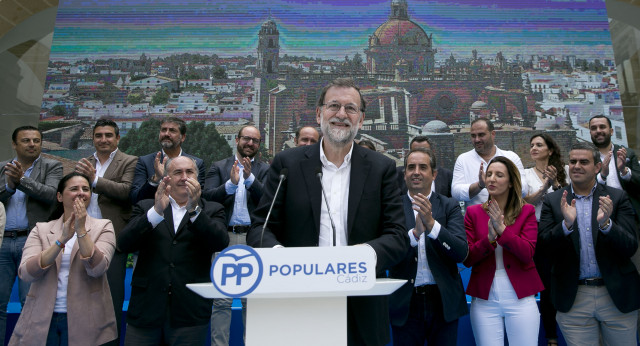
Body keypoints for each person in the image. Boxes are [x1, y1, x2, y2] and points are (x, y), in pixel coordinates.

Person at [247, 78, 408, 346]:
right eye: (334, 106)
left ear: (361, 118)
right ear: (319, 113)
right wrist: (282, 260)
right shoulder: (288, 164)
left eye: (350, 108)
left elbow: (397, 236)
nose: (341, 114)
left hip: (362, 304)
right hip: (300, 303)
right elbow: (261, 228)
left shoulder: (382, 168)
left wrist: (359, 258)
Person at [119, 156, 229, 345]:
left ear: (197, 177)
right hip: (146, 311)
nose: (184, 177)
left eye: (189, 172)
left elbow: (219, 242)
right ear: (166, 178)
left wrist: (194, 210)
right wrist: (155, 212)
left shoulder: (211, 210)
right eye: (177, 172)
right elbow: (124, 243)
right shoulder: (146, 207)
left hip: (189, 313)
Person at [539, 142, 640, 346]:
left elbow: (630, 246)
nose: (576, 166)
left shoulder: (617, 197)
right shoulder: (554, 200)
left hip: (615, 295)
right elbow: (544, 247)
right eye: (573, 161)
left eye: (584, 162)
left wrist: (607, 224)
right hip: (574, 297)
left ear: (597, 167)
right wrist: (566, 225)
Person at [9, 172, 117, 345]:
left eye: (86, 189)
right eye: (74, 189)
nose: (81, 193)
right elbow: (27, 273)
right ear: (59, 196)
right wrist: (61, 240)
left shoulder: (104, 226)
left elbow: (97, 269)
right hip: (43, 319)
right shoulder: (41, 229)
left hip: (87, 320)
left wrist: (81, 231)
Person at [389, 148, 468, 346]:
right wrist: (415, 234)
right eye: (411, 167)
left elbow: (461, 252)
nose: (416, 172)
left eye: (423, 167)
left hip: (443, 302)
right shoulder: (393, 208)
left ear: (434, 174)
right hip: (406, 303)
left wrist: (432, 225)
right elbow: (389, 253)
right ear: (404, 174)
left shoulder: (449, 205)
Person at [463, 156, 543, 346]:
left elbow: (527, 253)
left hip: (521, 296)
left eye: (499, 175)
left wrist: (502, 231)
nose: (491, 179)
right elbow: (468, 258)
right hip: (484, 298)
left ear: (510, 182)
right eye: (489, 174)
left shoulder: (527, 211)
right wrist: (489, 239)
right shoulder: (473, 213)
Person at [204, 125, 269, 346]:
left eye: (255, 140)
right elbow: (209, 199)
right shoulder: (218, 167)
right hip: (225, 239)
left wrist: (250, 179)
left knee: (252, 299)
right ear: (237, 140)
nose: (250, 143)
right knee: (221, 300)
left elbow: (269, 203)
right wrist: (231, 184)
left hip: (254, 239)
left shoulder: (265, 170)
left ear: (259, 145)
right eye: (246, 139)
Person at [74, 119, 138, 344]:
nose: (103, 140)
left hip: (113, 239)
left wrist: (95, 180)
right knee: (80, 297)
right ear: (93, 138)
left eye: (108, 135)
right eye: (98, 135)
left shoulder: (129, 161)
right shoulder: (83, 163)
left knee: (111, 299)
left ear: (117, 138)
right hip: (81, 239)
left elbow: (127, 191)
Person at [0, 126, 63, 344]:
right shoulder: (2, 168)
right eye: (26, 140)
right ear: (14, 144)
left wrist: (21, 181)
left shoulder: (52, 166)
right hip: (2, 242)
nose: (32, 144)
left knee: (31, 302)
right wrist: (9, 186)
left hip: (33, 241)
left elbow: (51, 196)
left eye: (36, 140)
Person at [521, 133, 568, 346]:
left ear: (550, 150)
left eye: (539, 145)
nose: (534, 148)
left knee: (566, 280)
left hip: (564, 230)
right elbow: (526, 204)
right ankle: (551, 336)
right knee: (546, 285)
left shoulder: (565, 170)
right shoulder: (525, 174)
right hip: (538, 232)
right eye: (532, 145)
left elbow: (570, 202)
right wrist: (544, 187)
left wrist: (556, 183)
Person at [452, 118, 525, 209]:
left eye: (481, 135)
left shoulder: (511, 157)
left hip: (508, 217)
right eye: (473, 136)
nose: (477, 139)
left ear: (493, 134)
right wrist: (479, 185)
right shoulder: (463, 159)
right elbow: (456, 193)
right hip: (476, 219)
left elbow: (523, 189)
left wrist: (496, 184)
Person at [130, 117, 206, 204]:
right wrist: (156, 179)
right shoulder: (145, 161)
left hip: (185, 214)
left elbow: (200, 198)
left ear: (183, 137)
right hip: (154, 215)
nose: (166, 134)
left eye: (172, 131)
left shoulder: (196, 163)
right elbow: (135, 198)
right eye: (163, 130)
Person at [589, 115, 640, 213]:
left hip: (629, 208)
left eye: (602, 127)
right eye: (594, 128)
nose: (598, 131)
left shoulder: (627, 153)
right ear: (590, 133)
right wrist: (602, 175)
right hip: (600, 210)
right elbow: (584, 187)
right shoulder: (586, 158)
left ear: (611, 131)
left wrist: (624, 171)